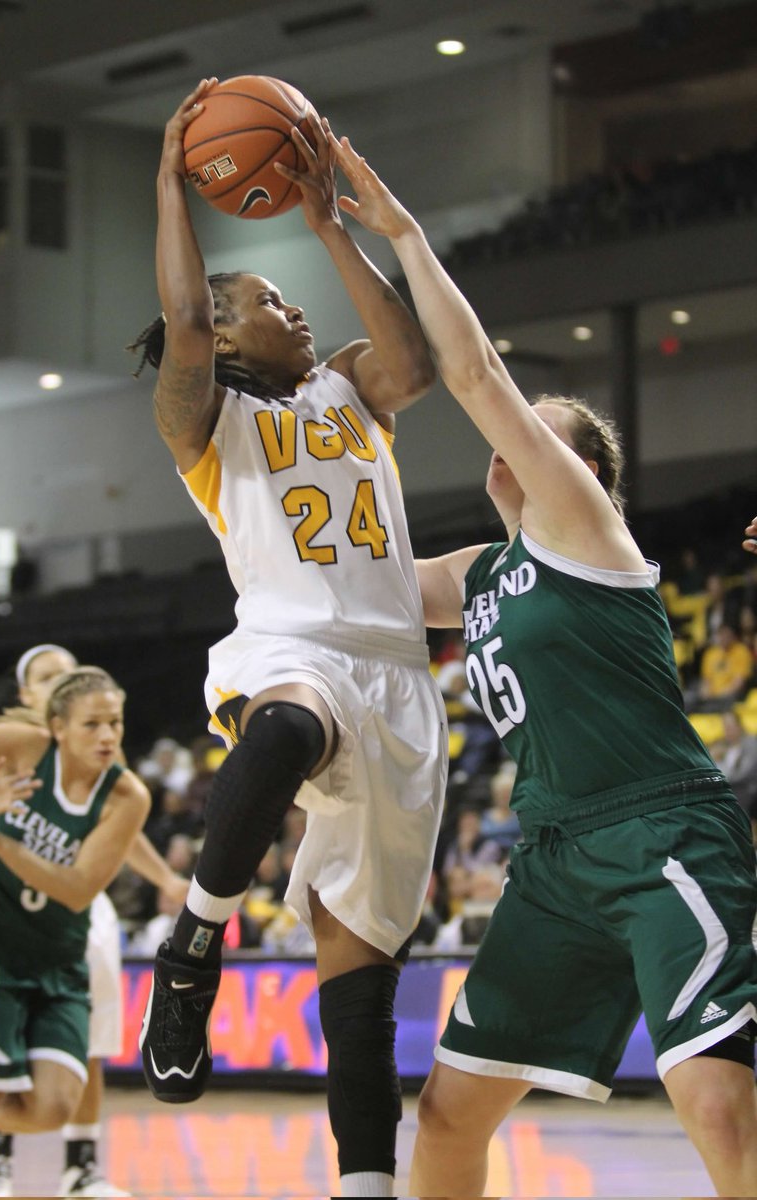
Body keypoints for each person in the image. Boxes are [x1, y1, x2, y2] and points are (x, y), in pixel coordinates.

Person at [326, 131, 757, 1197]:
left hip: (660, 828)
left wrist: (401, 236)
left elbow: (469, 373)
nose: (511, 443)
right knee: (447, 1115)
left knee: (714, 1102)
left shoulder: (583, 530)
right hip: (554, 860)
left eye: (541, 436)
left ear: (585, 474)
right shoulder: (480, 571)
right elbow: (341, 576)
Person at [128, 79, 447, 1197]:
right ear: (221, 330)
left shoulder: (348, 390)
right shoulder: (207, 426)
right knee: (279, 736)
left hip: (400, 680)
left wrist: (324, 226)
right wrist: (172, 187)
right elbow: (178, 322)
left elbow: (416, 366)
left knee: (359, 988)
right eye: (270, 299)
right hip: (289, 649)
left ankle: (363, 1184)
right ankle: (193, 945)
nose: (296, 312)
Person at [0, 644, 190, 1199]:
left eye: (115, 721)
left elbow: (77, 889)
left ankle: (34, 1150)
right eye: (94, 723)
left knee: (49, 1105)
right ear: (58, 725)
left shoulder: (126, 793)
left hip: (61, 957)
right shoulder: (23, 747)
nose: (109, 734)